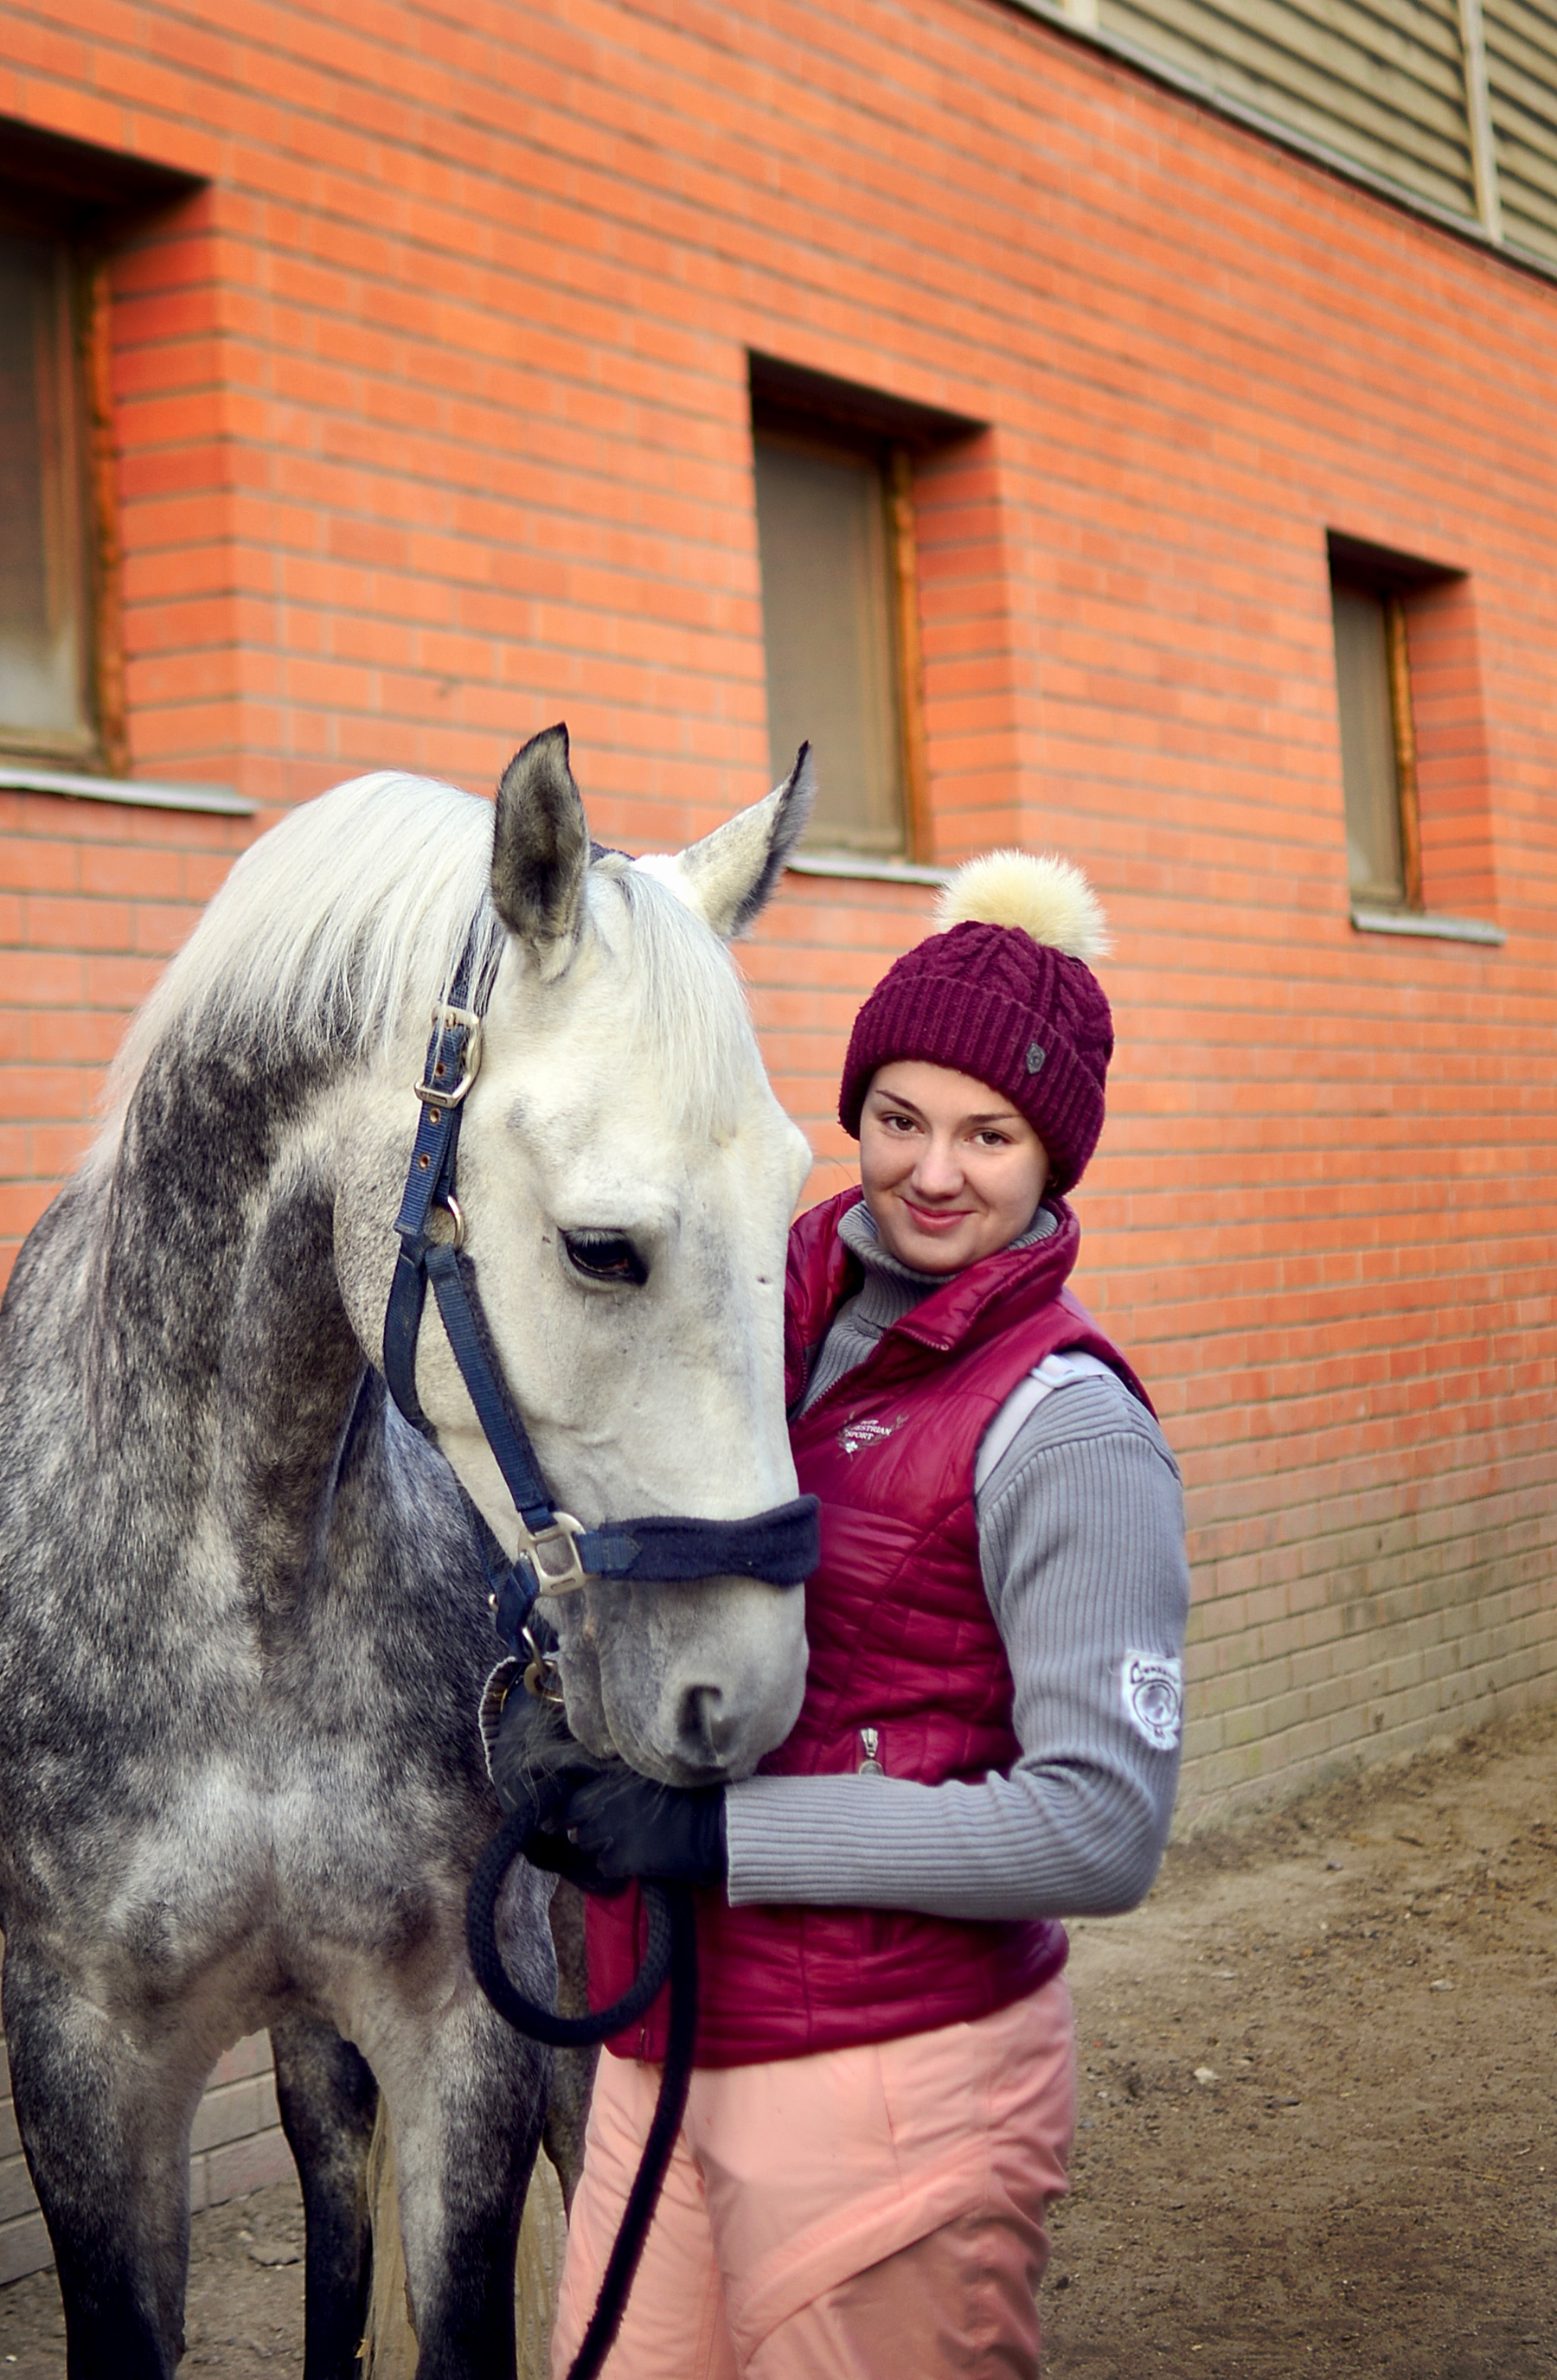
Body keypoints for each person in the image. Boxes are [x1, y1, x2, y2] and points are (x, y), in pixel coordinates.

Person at [499, 851, 1190, 2380]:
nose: (933, 1172)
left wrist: (720, 1841)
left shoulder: (1067, 1428)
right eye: (897, 1119)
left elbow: (1100, 1831)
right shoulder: (744, 1312)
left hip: (898, 2086)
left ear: (1055, 1159)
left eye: (988, 1135)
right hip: (663, 2040)